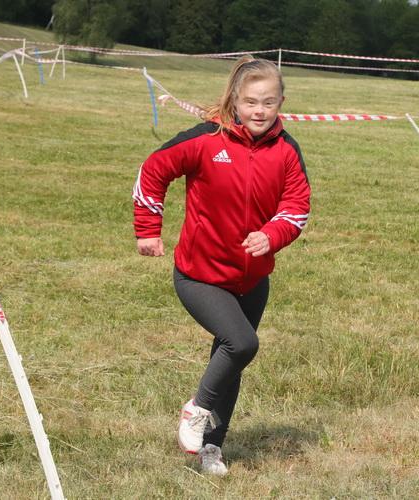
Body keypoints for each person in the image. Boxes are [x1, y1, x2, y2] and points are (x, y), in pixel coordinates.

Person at [132, 56, 310, 476]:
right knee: (242, 344)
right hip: (200, 276)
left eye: (268, 102)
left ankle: (212, 448)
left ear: (281, 102)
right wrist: (148, 229)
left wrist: (272, 235)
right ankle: (196, 409)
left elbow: (297, 206)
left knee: (230, 360)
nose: (259, 111)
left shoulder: (286, 150)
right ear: (234, 100)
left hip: (252, 280)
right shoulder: (205, 140)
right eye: (250, 102)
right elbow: (153, 171)